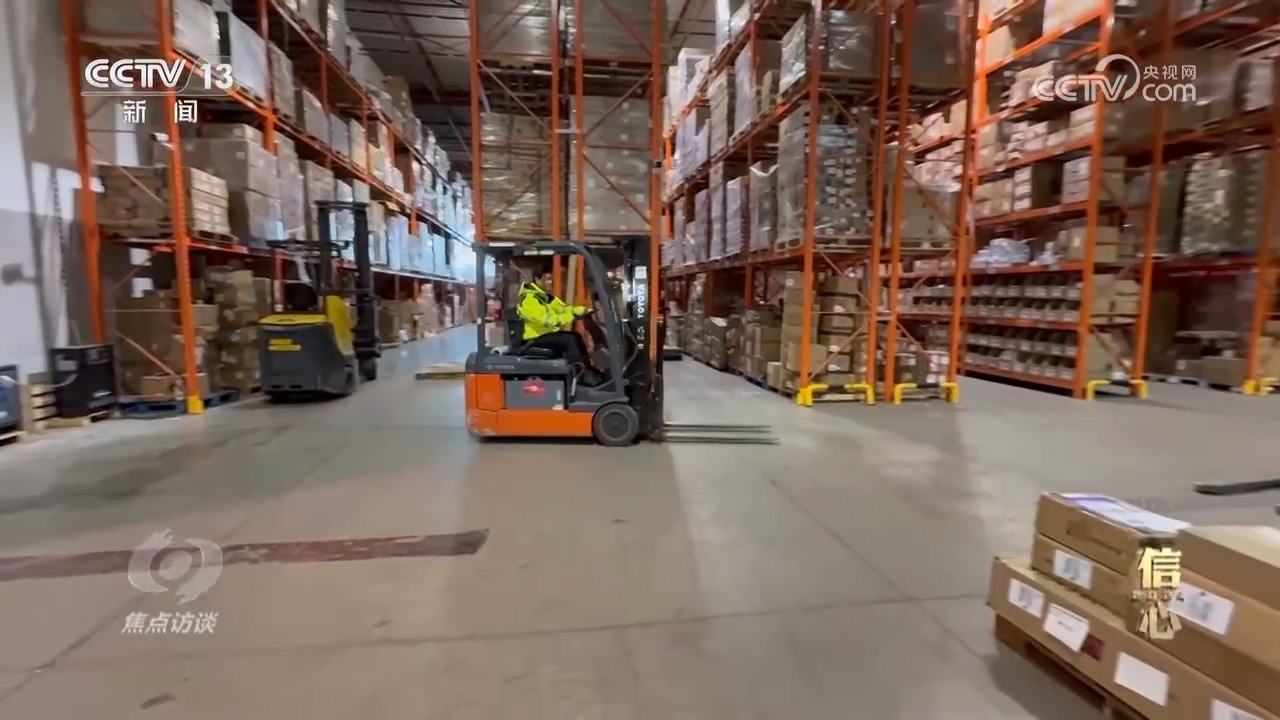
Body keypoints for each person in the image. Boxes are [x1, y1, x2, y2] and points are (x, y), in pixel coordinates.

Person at [516, 263, 594, 372]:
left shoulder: (545, 297)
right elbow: (547, 320)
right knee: (569, 340)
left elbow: (562, 309)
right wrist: (572, 315)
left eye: (551, 279)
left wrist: (580, 310)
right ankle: (579, 373)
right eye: (548, 279)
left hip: (545, 334)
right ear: (537, 279)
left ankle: (587, 370)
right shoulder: (530, 299)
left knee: (575, 335)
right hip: (534, 338)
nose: (550, 282)